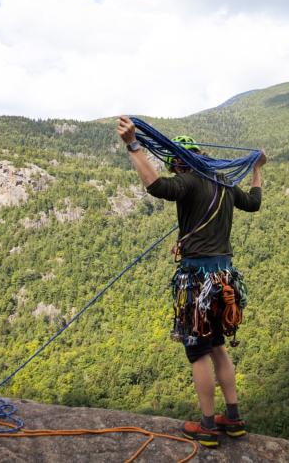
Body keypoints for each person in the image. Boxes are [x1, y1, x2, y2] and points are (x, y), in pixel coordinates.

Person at [116, 115, 266, 447]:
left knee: (197, 351)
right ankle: (234, 418)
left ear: (178, 163)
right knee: (217, 347)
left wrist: (133, 145)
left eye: (173, 166)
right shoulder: (224, 182)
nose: (173, 171)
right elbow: (253, 204)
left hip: (197, 283)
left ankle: (209, 426)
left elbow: (156, 186)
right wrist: (257, 169)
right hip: (225, 278)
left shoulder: (187, 179)